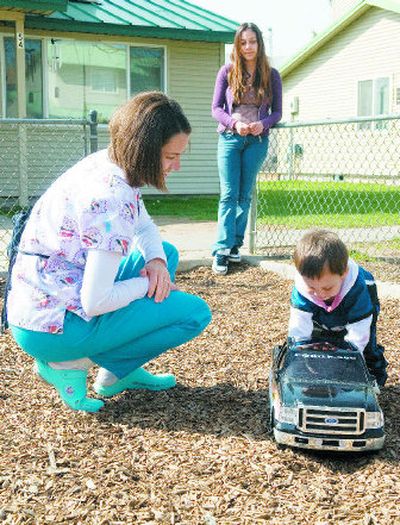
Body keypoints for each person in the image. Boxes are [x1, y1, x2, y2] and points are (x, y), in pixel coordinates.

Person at [6, 91, 212, 413]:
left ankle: (117, 374)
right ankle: (67, 365)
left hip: (38, 304)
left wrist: (156, 263)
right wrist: (149, 284)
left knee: (165, 254)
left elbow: (143, 225)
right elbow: (95, 301)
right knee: (194, 314)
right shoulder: (111, 200)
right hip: (52, 328)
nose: (177, 165)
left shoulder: (110, 162)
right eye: (171, 156)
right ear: (145, 150)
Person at [211, 22, 282, 275]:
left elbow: (278, 113)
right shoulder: (227, 72)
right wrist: (234, 122)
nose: (248, 46)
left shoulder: (271, 75)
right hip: (230, 139)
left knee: (244, 196)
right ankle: (221, 249)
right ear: (237, 46)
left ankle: (234, 246)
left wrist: (262, 124)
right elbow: (216, 109)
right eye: (243, 42)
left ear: (259, 44)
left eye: (252, 41)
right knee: (229, 195)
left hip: (257, 142)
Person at [288, 229, 388, 386]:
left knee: (367, 347)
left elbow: (359, 331)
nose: (320, 294)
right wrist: (300, 352)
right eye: (312, 288)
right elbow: (299, 328)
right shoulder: (302, 290)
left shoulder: (359, 288)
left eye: (327, 288)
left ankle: (375, 380)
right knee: (318, 344)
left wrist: (351, 356)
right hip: (320, 314)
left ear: (344, 273)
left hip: (358, 312)